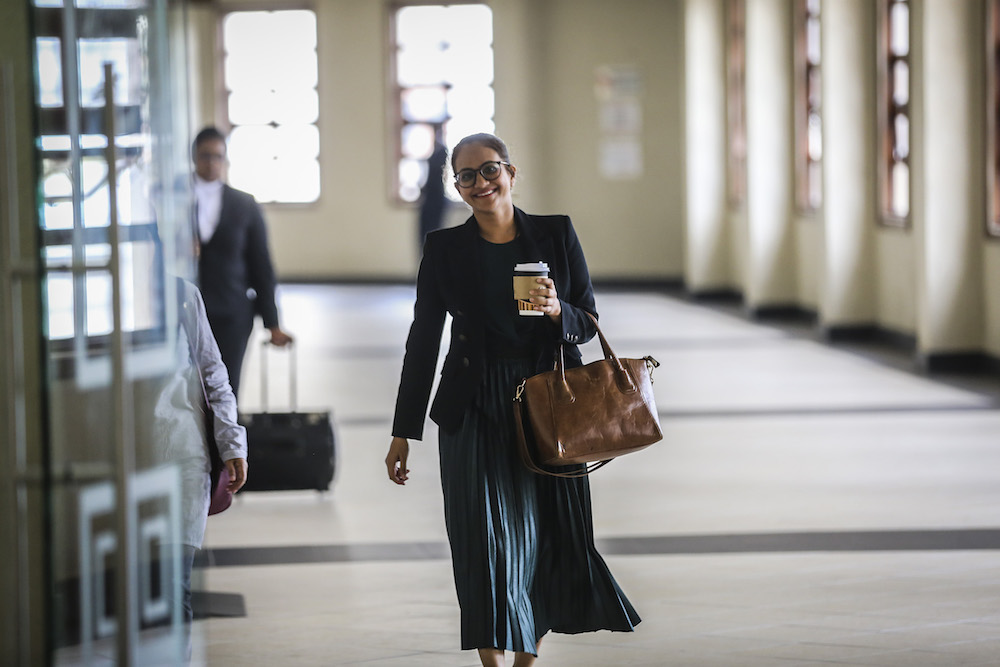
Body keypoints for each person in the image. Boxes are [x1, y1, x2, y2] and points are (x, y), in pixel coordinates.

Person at [385, 133, 640, 667]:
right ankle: (493, 662)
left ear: (511, 172)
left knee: (546, 533)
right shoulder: (445, 248)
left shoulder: (555, 233)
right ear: (456, 186)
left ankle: (526, 657)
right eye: (466, 175)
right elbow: (423, 340)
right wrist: (403, 431)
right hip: (473, 404)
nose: (480, 183)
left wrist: (557, 311)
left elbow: (588, 320)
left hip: (549, 401)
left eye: (489, 169)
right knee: (480, 539)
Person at [152, 277, 248, 647]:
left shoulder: (182, 294)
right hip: (119, 466)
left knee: (173, 587)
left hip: (183, 453)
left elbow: (213, 374)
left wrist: (231, 444)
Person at [191, 126, 293, 396]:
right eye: (205, 156)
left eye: (218, 156)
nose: (212, 163)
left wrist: (272, 322)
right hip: (187, 310)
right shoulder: (176, 199)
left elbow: (261, 264)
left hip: (232, 312)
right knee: (190, 390)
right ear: (195, 157)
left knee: (226, 387)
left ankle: (225, 427)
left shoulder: (243, 204)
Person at [417, 126, 448, 245]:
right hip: (429, 198)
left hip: (436, 198)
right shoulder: (435, 151)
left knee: (433, 232)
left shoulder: (442, 152)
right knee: (424, 233)